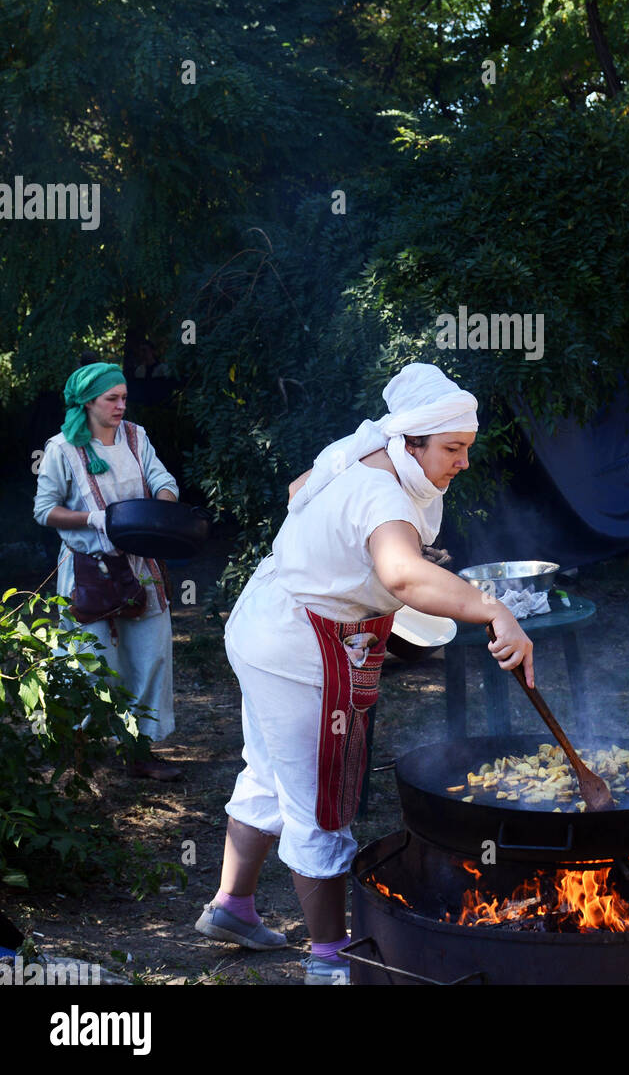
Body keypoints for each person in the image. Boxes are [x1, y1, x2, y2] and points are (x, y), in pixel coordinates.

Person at [195, 362, 535, 984]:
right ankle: (330, 958)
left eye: (467, 448)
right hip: (299, 647)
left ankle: (233, 907)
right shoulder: (382, 492)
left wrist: (367, 553)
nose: (463, 462)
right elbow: (402, 574)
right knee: (322, 801)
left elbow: (298, 492)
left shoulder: (358, 454)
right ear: (411, 441)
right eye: (453, 449)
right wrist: (493, 608)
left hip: (265, 622)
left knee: (268, 771)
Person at [33, 362, 183, 781]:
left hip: (141, 566)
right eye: (111, 399)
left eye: (124, 398)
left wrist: (161, 509)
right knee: (90, 662)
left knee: (149, 657)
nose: (121, 406)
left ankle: (139, 752)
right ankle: (79, 755)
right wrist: (93, 520)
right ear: (87, 402)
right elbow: (44, 511)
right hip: (89, 571)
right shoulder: (62, 448)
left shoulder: (136, 437)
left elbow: (163, 480)